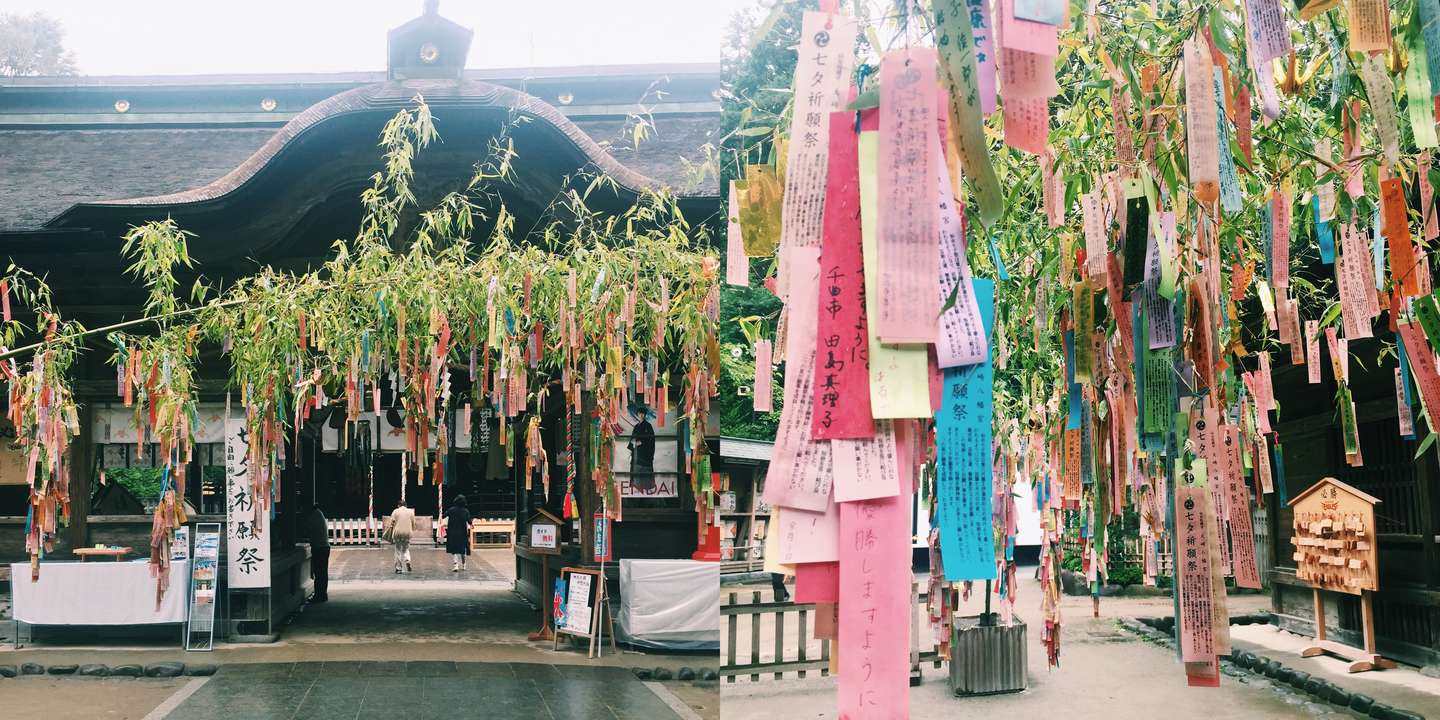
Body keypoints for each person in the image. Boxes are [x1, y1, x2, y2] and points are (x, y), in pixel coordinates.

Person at [306, 504, 330, 602]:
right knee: (322, 573)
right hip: (323, 546)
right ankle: (322, 594)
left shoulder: (314, 516)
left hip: (320, 548)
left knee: (319, 574)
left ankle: (319, 596)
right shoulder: (318, 513)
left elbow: (308, 529)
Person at [444, 494, 473, 572]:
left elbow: (444, 515)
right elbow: (469, 521)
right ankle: (464, 565)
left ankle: (456, 565)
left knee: (454, 549)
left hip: (452, 532)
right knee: (462, 549)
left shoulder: (451, 510)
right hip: (462, 532)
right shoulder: (465, 511)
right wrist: (471, 524)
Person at [388, 501, 414, 574]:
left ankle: (398, 568)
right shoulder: (411, 511)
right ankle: (407, 560)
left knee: (398, 550)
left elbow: (392, 522)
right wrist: (411, 530)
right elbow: (413, 523)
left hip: (398, 533)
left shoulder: (395, 511)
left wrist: (391, 527)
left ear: (398, 505)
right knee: (406, 548)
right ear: (406, 505)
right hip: (407, 533)